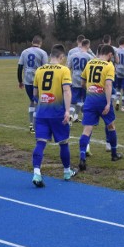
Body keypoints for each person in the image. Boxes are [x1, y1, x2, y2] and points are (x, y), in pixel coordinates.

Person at [30, 44, 77, 187]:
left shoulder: (39, 70)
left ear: (51, 56)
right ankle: (67, 171)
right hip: (57, 113)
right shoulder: (64, 70)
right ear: (62, 57)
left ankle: (37, 172)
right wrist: (68, 111)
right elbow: (67, 91)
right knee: (63, 143)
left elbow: (35, 93)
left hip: (42, 113)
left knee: (40, 142)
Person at [77, 44, 122, 171]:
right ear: (109, 55)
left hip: (90, 100)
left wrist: (91, 90)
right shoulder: (109, 66)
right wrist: (108, 103)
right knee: (111, 126)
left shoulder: (90, 63)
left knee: (87, 130)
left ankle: (82, 158)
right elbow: (108, 85)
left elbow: (82, 82)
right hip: (102, 101)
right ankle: (114, 154)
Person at [17, 36, 49, 133]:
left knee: (32, 100)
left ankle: (31, 123)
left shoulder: (24, 52)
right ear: (40, 43)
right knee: (39, 102)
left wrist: (20, 81)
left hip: (27, 79)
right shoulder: (43, 53)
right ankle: (36, 125)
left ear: (32, 42)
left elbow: (19, 67)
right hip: (38, 80)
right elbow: (45, 69)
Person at [67, 38, 94, 123]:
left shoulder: (73, 55)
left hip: (74, 78)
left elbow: (68, 68)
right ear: (88, 46)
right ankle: (84, 116)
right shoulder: (89, 56)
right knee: (84, 99)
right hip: (84, 79)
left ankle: (72, 115)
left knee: (74, 100)